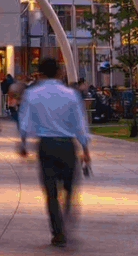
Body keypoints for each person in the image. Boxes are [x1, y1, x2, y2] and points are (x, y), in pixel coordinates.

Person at [17, 58, 92, 248]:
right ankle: (66, 221)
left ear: (39, 74)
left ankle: (57, 231)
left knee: (50, 192)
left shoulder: (32, 94)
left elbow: (25, 122)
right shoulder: (71, 94)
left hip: (46, 146)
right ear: (59, 72)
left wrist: (24, 144)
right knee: (69, 188)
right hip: (67, 146)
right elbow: (80, 124)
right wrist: (85, 149)